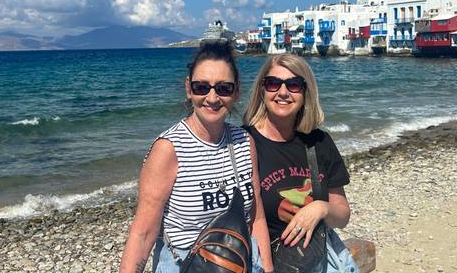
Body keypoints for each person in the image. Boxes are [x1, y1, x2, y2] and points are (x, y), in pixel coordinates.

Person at [120, 41, 272, 273]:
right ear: (189, 89)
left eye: (223, 88)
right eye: (202, 87)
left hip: (238, 262)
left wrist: (267, 269)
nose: (212, 98)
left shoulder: (244, 141)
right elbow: (143, 233)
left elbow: (256, 218)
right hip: (186, 264)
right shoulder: (168, 149)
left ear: (237, 91)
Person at [243, 53, 351, 272]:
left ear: (305, 92)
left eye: (293, 85)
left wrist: (320, 207)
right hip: (260, 262)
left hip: (315, 258)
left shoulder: (319, 142)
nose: (283, 92)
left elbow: (342, 217)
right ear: (262, 90)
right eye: (273, 84)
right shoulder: (243, 142)